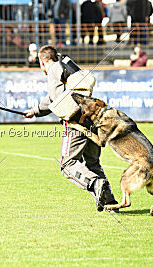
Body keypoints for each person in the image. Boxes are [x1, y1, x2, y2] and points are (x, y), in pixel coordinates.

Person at [24, 45, 118, 211]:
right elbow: (54, 98)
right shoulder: (68, 68)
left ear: (42, 61)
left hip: (75, 123)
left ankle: (95, 183)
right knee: (92, 164)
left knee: (67, 164)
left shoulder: (53, 69)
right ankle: (110, 202)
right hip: (92, 118)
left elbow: (55, 98)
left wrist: (37, 111)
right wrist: (35, 111)